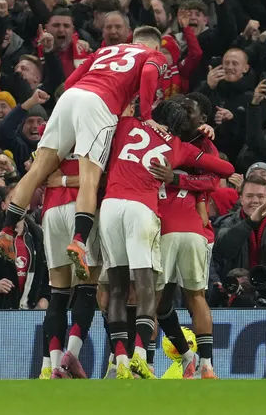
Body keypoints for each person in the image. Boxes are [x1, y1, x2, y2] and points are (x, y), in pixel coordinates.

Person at [0, 25, 168, 282]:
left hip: (70, 98)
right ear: (156, 45)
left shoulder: (105, 50)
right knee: (90, 178)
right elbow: (151, 73)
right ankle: (79, 242)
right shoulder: (153, 55)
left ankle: (7, 231)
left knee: (38, 169)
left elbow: (69, 83)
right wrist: (147, 115)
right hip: (100, 104)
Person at [100, 98, 233, 379]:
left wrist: (174, 179)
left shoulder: (128, 127)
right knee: (182, 296)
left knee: (127, 291)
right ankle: (202, 364)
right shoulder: (182, 149)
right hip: (184, 228)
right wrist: (180, 178)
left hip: (130, 214)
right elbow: (225, 171)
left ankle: (134, 361)